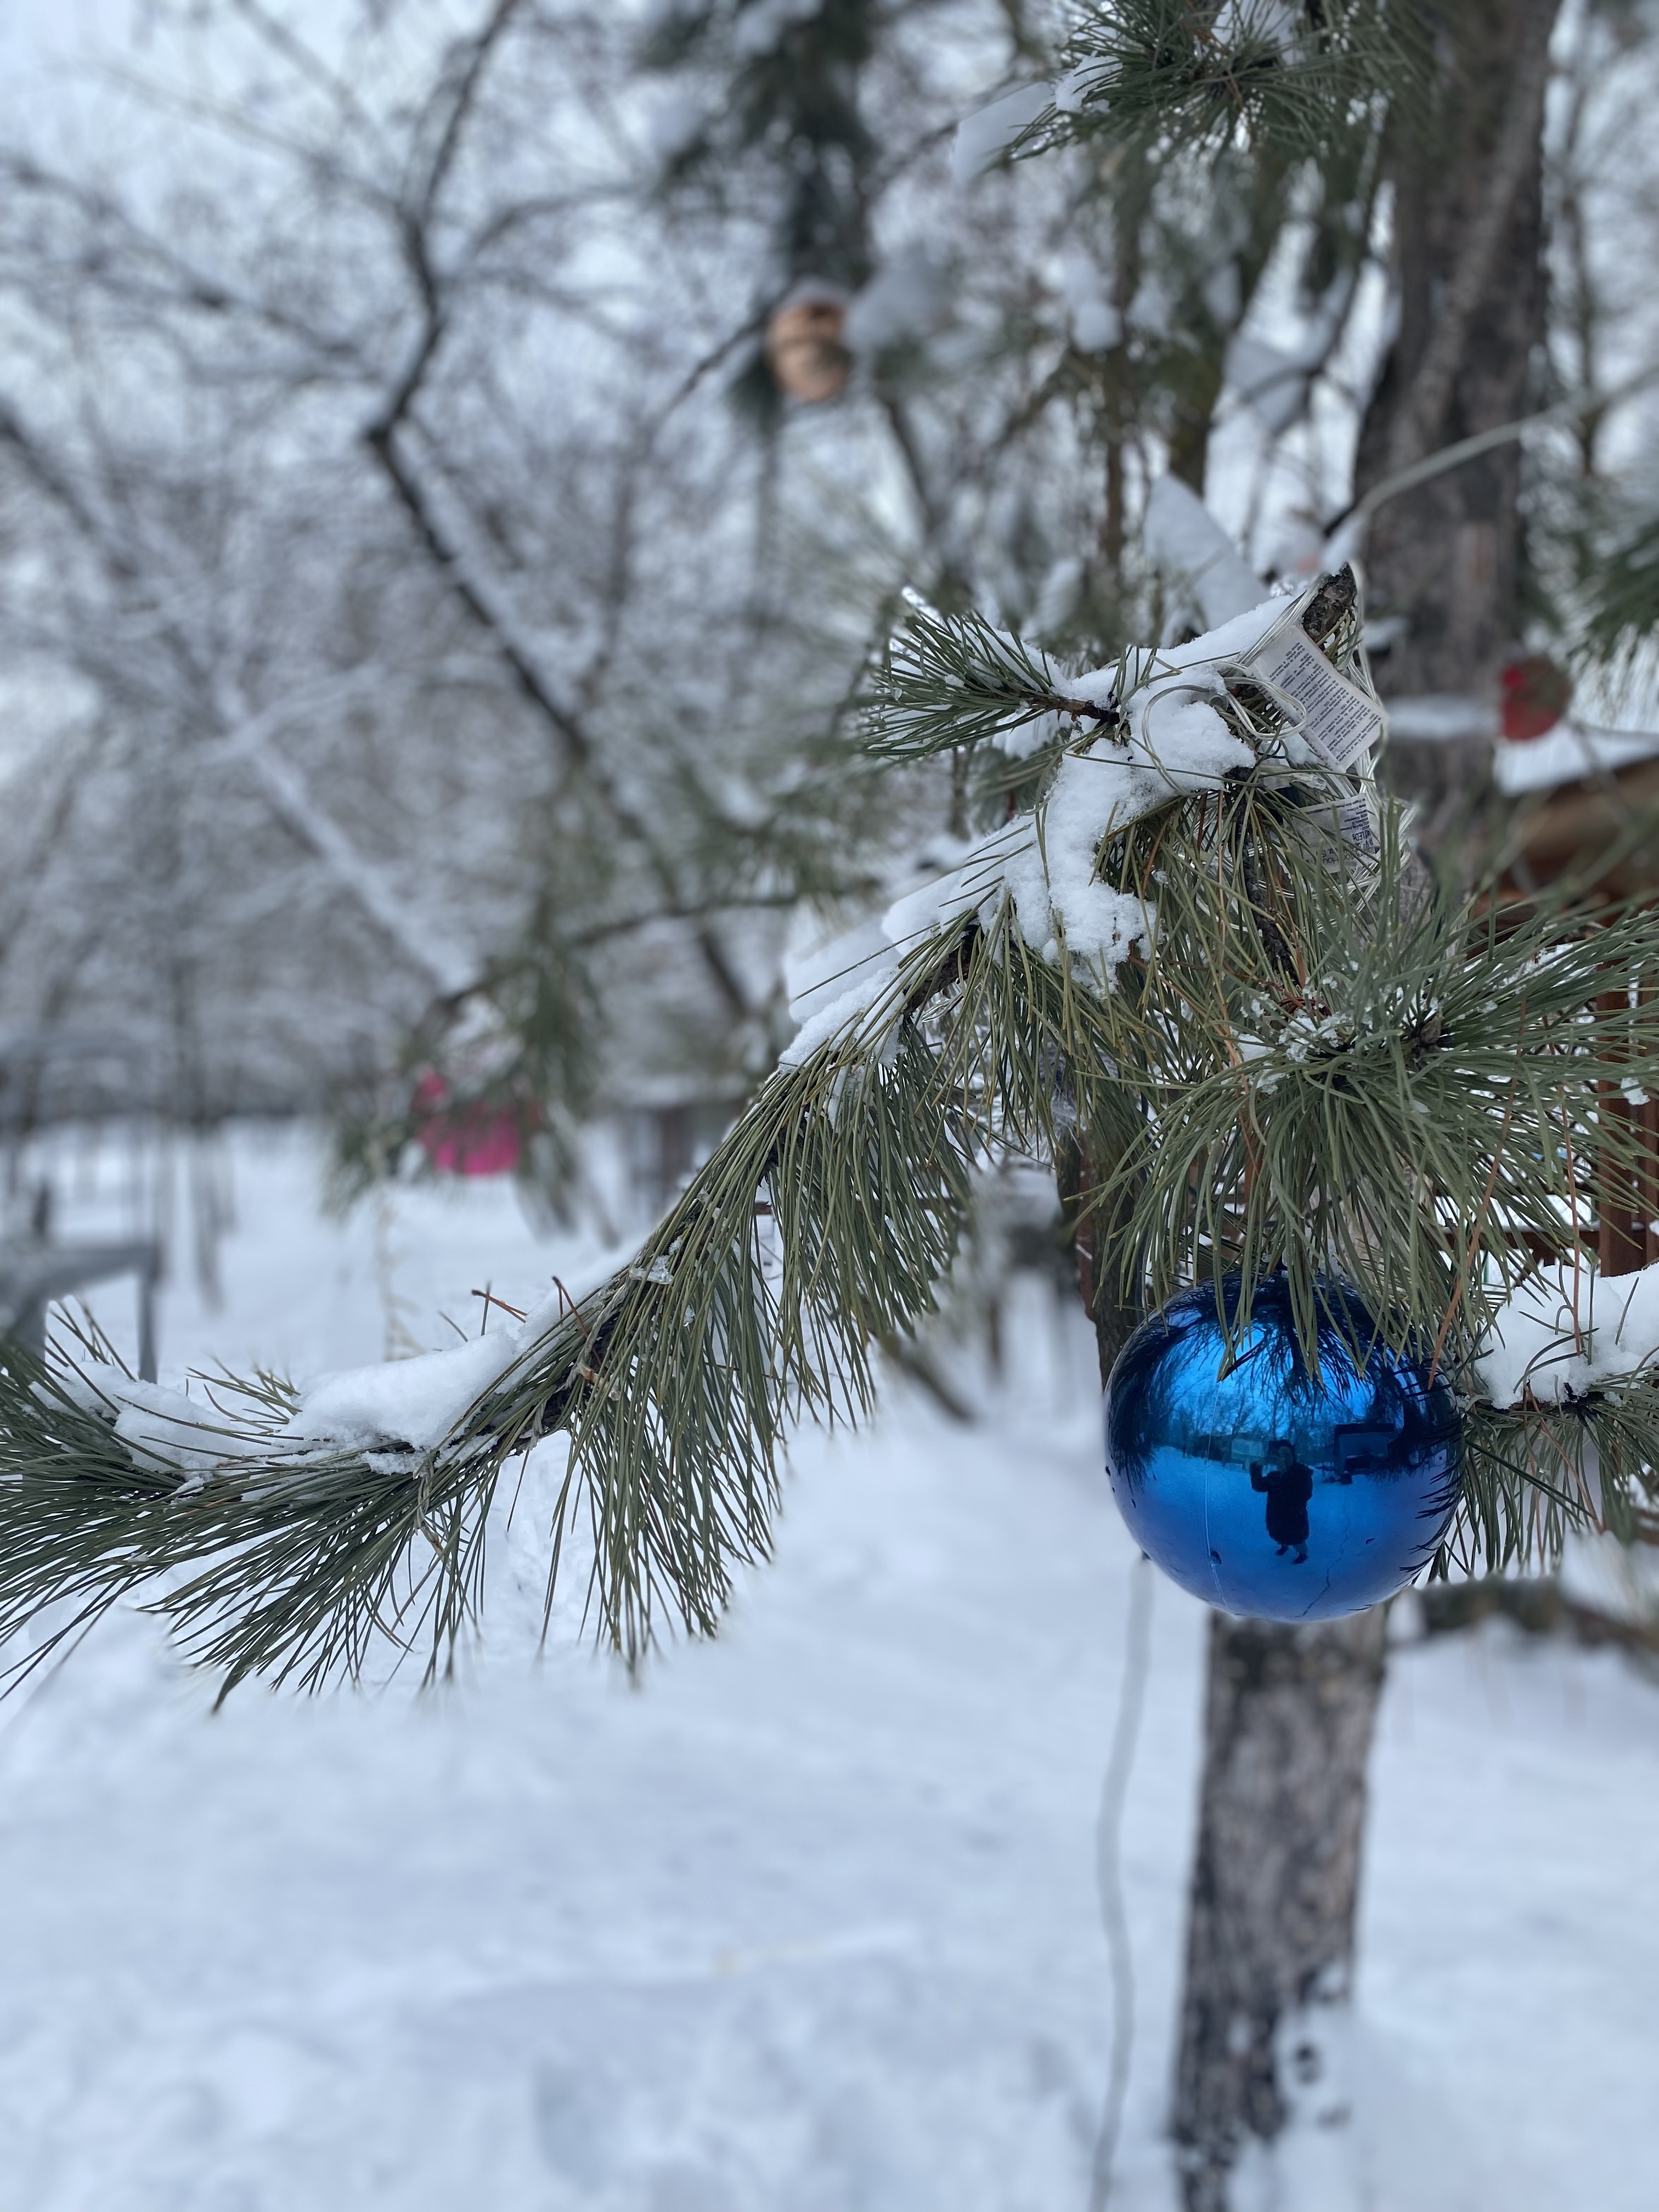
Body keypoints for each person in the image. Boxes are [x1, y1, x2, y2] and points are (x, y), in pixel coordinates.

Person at [1250, 1454, 1312, 1563]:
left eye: (1285, 1457)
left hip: (1294, 1516)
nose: (1281, 1461)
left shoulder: (1301, 1475)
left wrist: (1286, 1476)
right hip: (1276, 1515)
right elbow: (1259, 1486)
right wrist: (1257, 1468)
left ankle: (1303, 1554)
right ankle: (1284, 1546)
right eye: (1279, 1458)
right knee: (1279, 1533)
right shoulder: (1275, 1476)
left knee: (1297, 1538)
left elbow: (1305, 1495)